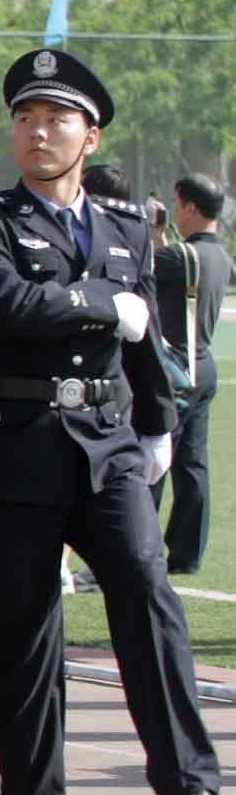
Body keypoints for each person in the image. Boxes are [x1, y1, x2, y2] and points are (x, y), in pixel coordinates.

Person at [0, 48, 231, 795]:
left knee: (147, 592)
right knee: (28, 651)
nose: (38, 131)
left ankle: (187, 783)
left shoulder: (125, 228)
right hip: (13, 447)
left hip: (106, 448)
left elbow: (143, 351)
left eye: (57, 118)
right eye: (26, 118)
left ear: (89, 133)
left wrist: (160, 428)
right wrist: (107, 305)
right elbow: (5, 306)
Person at [152, 172, 226, 574]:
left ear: (191, 208)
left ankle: (139, 547)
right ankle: (186, 555)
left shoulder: (180, 257)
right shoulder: (219, 255)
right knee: (192, 465)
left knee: (152, 459)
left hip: (175, 368)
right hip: (204, 364)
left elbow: (143, 269)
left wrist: (149, 235)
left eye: (178, 205)